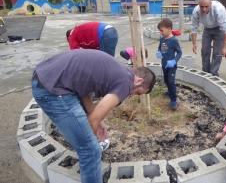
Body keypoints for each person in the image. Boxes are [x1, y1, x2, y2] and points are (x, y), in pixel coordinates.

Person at [31, 49, 155, 183]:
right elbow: (92, 121)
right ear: (139, 80)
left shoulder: (119, 71)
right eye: (138, 93)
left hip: (45, 76)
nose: (132, 96)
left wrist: (98, 120)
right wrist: (90, 141)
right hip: (52, 90)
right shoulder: (126, 83)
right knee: (91, 151)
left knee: (89, 146)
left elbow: (84, 92)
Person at [190, 0, 226, 76]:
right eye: (202, 6)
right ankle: (205, 72)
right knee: (205, 51)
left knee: (217, 52)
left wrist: (225, 47)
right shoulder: (196, 11)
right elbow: (194, 28)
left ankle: (213, 73)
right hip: (207, 29)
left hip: (219, 29)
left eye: (206, 6)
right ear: (198, 4)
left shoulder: (219, 9)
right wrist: (194, 43)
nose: (204, 9)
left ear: (211, 4)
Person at [156, 18, 182, 109]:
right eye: (160, 31)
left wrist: (174, 61)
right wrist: (158, 52)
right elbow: (160, 48)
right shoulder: (162, 39)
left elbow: (179, 52)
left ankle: (174, 99)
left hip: (171, 66)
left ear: (169, 29)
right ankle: (170, 91)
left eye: (162, 30)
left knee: (171, 81)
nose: (161, 32)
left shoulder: (174, 40)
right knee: (166, 80)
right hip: (164, 64)